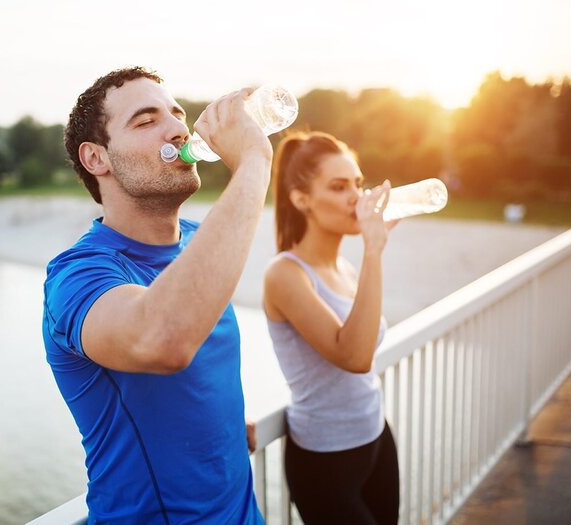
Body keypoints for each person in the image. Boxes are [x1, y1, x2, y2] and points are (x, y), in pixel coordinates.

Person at [42, 67, 272, 524]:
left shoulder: (198, 241)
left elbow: (198, 379)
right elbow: (163, 339)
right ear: (96, 159)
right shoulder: (76, 276)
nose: (177, 129)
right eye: (146, 121)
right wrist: (253, 161)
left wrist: (221, 426)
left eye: (177, 114)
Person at [263, 131, 400, 524]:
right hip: (325, 459)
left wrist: (369, 255)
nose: (356, 197)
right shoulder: (285, 275)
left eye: (358, 183)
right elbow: (354, 356)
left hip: (374, 435)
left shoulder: (345, 268)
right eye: (339, 187)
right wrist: (374, 250)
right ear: (301, 199)